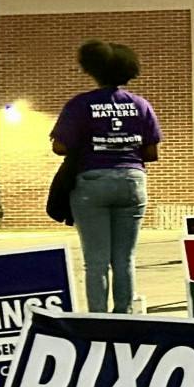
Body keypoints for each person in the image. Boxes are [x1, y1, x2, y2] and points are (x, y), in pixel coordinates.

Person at [50, 41, 159, 313]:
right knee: (125, 259)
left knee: (96, 260)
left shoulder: (80, 105)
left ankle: (98, 317)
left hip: (92, 183)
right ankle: (124, 314)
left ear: (92, 70)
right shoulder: (140, 105)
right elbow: (151, 152)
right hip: (132, 182)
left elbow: (59, 146)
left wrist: (91, 143)